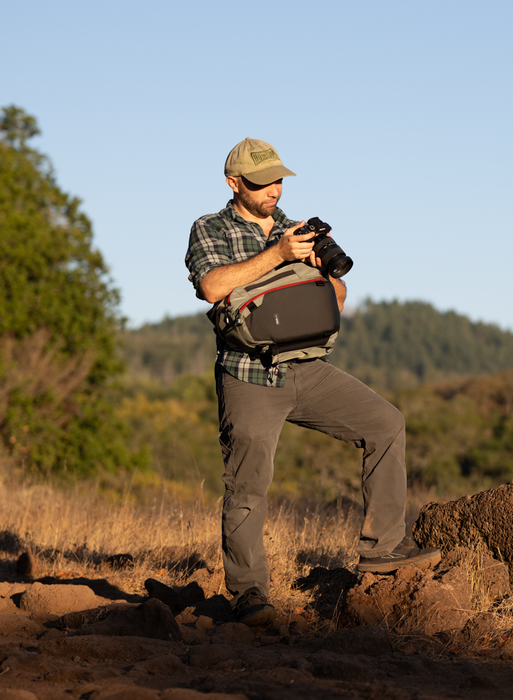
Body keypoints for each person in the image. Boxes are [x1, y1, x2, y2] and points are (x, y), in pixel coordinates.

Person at [184, 137, 439, 626]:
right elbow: (212, 286)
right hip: (249, 374)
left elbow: (337, 297)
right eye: (261, 183)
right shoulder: (210, 228)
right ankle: (249, 594)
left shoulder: (297, 229)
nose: (274, 190)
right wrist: (279, 255)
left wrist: (325, 272)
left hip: (308, 368)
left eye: (278, 179)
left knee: (386, 423)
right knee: (248, 486)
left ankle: (382, 548)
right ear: (233, 183)